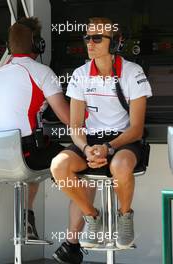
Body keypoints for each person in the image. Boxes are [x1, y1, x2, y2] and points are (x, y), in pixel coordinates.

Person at [51, 17, 152, 264]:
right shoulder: (80, 74)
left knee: (119, 166)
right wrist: (86, 148)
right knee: (58, 167)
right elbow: (75, 126)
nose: (90, 43)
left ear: (115, 43)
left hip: (123, 140)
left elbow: (137, 129)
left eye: (97, 38)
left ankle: (125, 215)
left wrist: (108, 148)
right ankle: (92, 216)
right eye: (87, 37)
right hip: (91, 143)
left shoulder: (132, 72)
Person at [0, 17, 70, 240]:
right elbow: (68, 119)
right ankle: (82, 229)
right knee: (69, 158)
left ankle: (27, 217)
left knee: (33, 153)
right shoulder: (42, 72)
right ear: (38, 45)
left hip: (2, 158)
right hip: (25, 157)